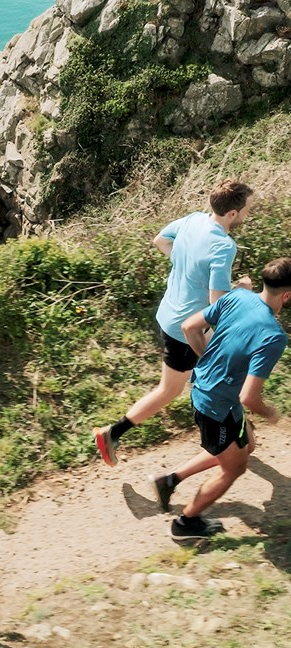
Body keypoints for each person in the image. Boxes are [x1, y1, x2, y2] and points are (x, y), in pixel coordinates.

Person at [94, 179, 254, 466]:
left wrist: (186, 267)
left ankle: (238, 429)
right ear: (232, 213)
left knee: (217, 372)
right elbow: (217, 302)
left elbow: (160, 240)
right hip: (186, 330)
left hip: (168, 314)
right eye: (246, 210)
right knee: (170, 389)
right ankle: (112, 433)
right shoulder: (223, 246)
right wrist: (242, 289)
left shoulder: (193, 220)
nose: (247, 214)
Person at [153, 257, 290, 540]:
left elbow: (189, 327)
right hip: (217, 406)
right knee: (235, 467)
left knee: (247, 445)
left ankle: (170, 481)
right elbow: (249, 397)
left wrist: (209, 362)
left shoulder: (238, 296)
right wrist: (271, 413)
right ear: (287, 296)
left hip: (210, 392)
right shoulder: (273, 335)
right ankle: (185, 523)